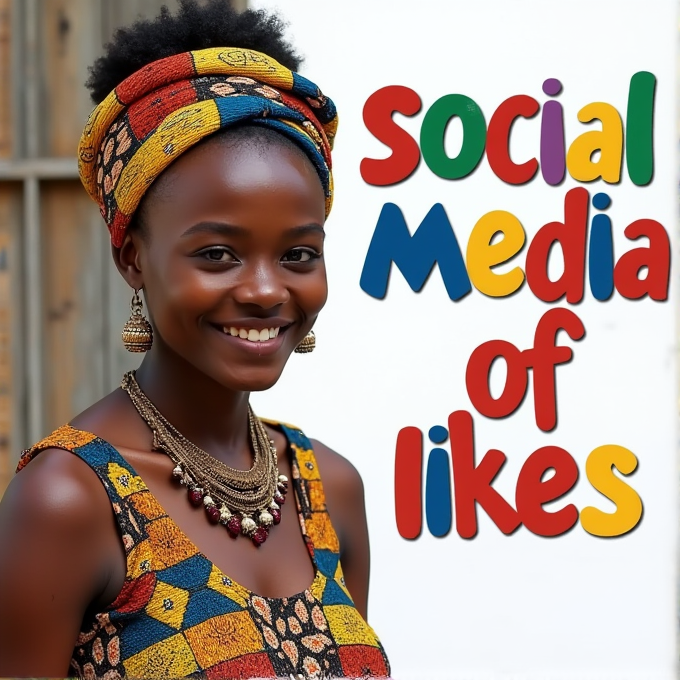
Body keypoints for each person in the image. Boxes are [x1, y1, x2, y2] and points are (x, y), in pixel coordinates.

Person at [0, 2, 391, 678]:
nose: (267, 290)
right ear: (133, 260)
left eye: (298, 255)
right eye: (217, 254)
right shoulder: (70, 499)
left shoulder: (329, 489)